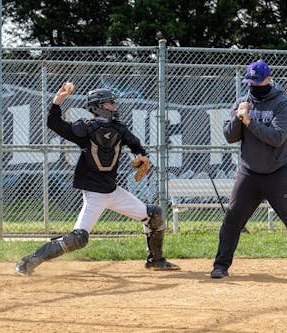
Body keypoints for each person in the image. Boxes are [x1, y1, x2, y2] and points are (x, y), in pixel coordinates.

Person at [15, 82, 180, 276]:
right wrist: (58, 100)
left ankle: (156, 261)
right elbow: (54, 123)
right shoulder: (85, 130)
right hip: (95, 194)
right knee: (79, 238)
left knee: (154, 214)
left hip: (113, 191)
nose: (114, 106)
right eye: (110, 103)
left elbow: (134, 144)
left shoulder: (119, 129)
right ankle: (28, 262)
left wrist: (141, 155)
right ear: (98, 107)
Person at [210, 60, 287, 280]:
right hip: (249, 172)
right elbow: (230, 137)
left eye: (257, 82)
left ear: (268, 79)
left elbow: (276, 138)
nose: (253, 87)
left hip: (278, 172)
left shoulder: (282, 104)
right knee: (232, 218)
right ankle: (220, 266)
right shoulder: (242, 102)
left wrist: (249, 122)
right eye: (250, 82)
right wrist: (239, 117)